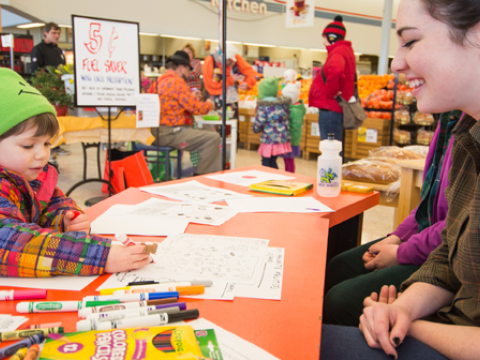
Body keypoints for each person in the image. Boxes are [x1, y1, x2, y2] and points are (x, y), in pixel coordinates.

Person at [320, 0, 480, 359]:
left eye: (410, 41)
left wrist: (412, 323)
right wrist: (404, 308)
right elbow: (449, 257)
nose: (396, 63)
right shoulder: (467, 136)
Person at [0, 68, 149, 277]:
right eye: (27, 146)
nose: (42, 154)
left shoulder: (32, 177)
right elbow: (10, 242)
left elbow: (54, 203)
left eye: (47, 143)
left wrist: (65, 219)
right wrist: (100, 256)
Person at [322, 109, 460, 326]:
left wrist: (402, 253)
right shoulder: (449, 119)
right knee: (336, 267)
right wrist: (395, 237)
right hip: (434, 247)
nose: (398, 72)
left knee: (339, 302)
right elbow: (429, 205)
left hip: (450, 261)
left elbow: (457, 227)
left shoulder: (468, 131)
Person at [148, 51, 222, 175]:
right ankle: (203, 178)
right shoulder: (176, 82)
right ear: (182, 68)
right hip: (169, 133)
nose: (188, 74)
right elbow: (197, 109)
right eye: (188, 70)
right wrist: (210, 104)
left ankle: (206, 174)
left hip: (156, 131)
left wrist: (191, 96)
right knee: (213, 138)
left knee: (208, 134)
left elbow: (174, 103)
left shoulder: (159, 80)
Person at [308, 15, 356, 146]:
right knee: (335, 148)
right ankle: (334, 167)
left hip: (330, 109)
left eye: (325, 38)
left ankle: (330, 168)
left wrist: (330, 92)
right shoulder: (344, 50)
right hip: (334, 109)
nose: (323, 42)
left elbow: (336, 71)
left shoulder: (338, 52)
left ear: (332, 37)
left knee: (330, 148)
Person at [31, 22, 70, 157]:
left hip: (60, 91)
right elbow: (36, 73)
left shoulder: (59, 51)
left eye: (58, 33)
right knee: (49, 119)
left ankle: (57, 144)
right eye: (54, 33)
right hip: (47, 92)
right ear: (45, 33)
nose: (57, 36)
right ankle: (49, 145)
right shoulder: (38, 49)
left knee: (60, 118)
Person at [203, 43, 257, 116]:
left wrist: (247, 83)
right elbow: (210, 84)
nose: (229, 65)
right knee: (214, 122)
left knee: (233, 123)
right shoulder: (210, 60)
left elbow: (250, 72)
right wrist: (230, 80)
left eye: (230, 63)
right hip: (213, 100)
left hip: (231, 101)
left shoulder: (235, 56)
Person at [253, 77, 292, 169]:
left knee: (266, 162)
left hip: (269, 139)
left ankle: (267, 180)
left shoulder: (264, 106)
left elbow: (260, 121)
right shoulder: (283, 105)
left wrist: (255, 129)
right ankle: (275, 179)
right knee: (273, 161)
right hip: (280, 140)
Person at [281, 70, 306, 173]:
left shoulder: (289, 110)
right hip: (295, 140)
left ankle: (289, 175)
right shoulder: (299, 108)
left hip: (289, 140)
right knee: (289, 160)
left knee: (288, 160)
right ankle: (289, 174)